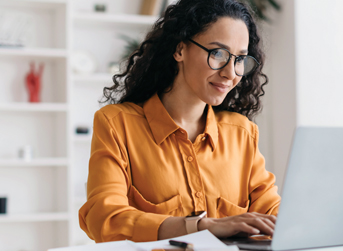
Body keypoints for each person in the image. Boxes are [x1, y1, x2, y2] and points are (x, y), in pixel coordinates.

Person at [79, 0, 281, 243]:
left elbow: (273, 216)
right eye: (218, 53)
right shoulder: (117, 124)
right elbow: (105, 219)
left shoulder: (242, 133)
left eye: (240, 59)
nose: (231, 73)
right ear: (180, 50)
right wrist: (202, 226)